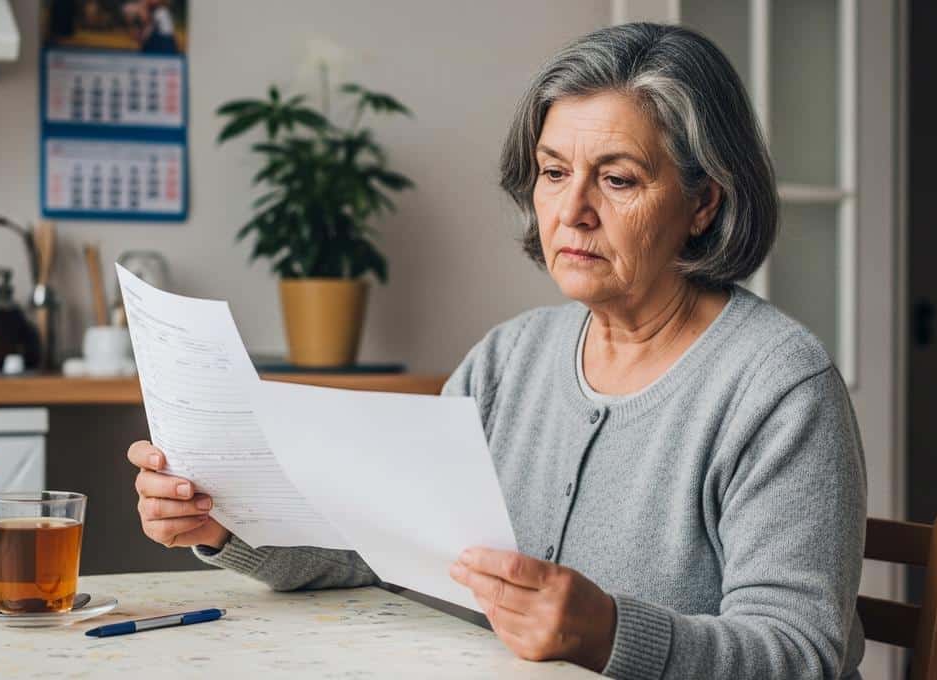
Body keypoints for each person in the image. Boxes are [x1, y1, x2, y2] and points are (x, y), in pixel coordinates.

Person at [127, 23, 866, 679]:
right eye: (552, 172)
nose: (572, 211)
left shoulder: (778, 388)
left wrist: (609, 635)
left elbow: (800, 653)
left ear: (704, 202)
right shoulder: (508, 361)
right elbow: (374, 545)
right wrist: (229, 524)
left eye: (617, 179)